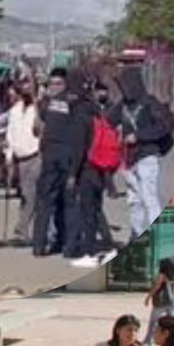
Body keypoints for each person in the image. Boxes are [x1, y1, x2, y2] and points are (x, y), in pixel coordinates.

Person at [32, 68, 93, 257]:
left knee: (54, 203)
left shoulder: (50, 102)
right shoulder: (78, 105)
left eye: (58, 83)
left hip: (57, 158)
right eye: (52, 83)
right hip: (63, 159)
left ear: (66, 84)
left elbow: (39, 120)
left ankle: (48, 244)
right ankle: (64, 245)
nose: (54, 87)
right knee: (63, 204)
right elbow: (81, 139)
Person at [110, 67, 174, 243]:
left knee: (149, 197)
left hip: (147, 156)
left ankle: (157, 233)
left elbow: (164, 127)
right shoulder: (122, 106)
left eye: (125, 85)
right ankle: (136, 231)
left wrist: (139, 136)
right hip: (129, 159)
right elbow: (107, 120)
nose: (124, 89)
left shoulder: (150, 103)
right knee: (133, 199)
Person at [71, 80, 123, 268]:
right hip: (101, 168)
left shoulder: (80, 115)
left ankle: (90, 252)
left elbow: (79, 148)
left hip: (87, 169)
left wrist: (72, 174)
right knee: (95, 209)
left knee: (87, 212)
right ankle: (107, 248)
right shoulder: (99, 113)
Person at [5, 74, 42, 246]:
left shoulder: (39, 108)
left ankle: (22, 228)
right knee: (25, 195)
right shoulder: (14, 110)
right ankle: (24, 229)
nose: (26, 89)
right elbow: (10, 135)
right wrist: (9, 158)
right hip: (19, 158)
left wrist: (37, 104)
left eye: (29, 86)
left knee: (31, 194)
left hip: (36, 156)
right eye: (23, 86)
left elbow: (40, 130)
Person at [143, 257, 174, 345]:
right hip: (171, 301)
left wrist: (149, 296)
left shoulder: (161, 275)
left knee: (153, 322)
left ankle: (148, 340)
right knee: (172, 322)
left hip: (161, 302)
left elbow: (157, 286)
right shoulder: (173, 276)